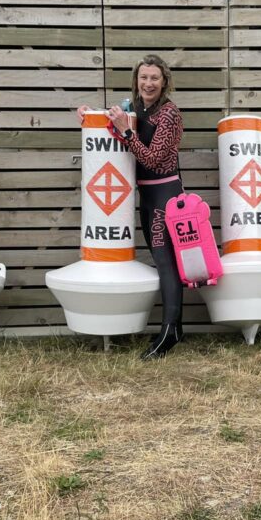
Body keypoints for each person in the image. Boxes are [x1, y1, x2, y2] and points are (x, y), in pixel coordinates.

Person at [77, 54, 185, 359]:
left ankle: (170, 331)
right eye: (143, 77)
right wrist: (88, 114)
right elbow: (111, 117)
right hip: (147, 197)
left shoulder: (169, 114)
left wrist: (126, 132)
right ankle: (173, 328)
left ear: (164, 82)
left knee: (167, 265)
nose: (148, 83)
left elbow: (152, 158)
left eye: (154, 78)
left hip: (165, 195)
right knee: (161, 261)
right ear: (136, 80)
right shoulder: (136, 108)